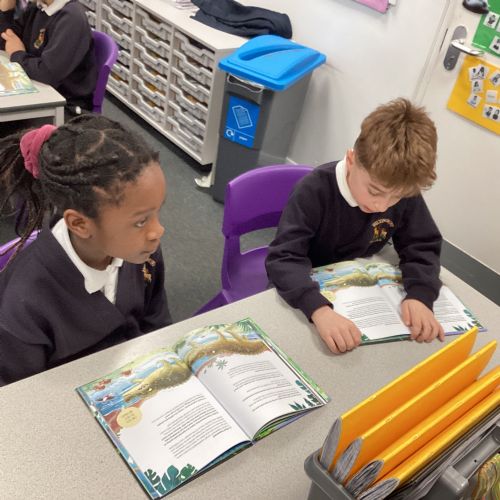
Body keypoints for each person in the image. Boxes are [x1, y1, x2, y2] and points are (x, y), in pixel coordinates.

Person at [0, 115, 171, 386]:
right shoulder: (25, 302)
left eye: (157, 212)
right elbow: (22, 395)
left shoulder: (142, 253)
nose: (157, 231)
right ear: (79, 224)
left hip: (135, 379)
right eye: (141, 221)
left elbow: (157, 325)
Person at [265, 98, 444, 354]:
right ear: (351, 160)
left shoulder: (400, 190)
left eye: (396, 197)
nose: (382, 206)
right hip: (301, 287)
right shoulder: (313, 190)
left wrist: (420, 295)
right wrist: (318, 310)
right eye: (374, 191)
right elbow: (283, 258)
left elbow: (422, 243)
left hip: (358, 287)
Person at [0, 0, 97, 114]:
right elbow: (6, 41)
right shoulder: (39, 7)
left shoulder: (71, 18)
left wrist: (17, 53)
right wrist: (6, 10)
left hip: (64, 106)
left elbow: (47, 73)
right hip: (39, 92)